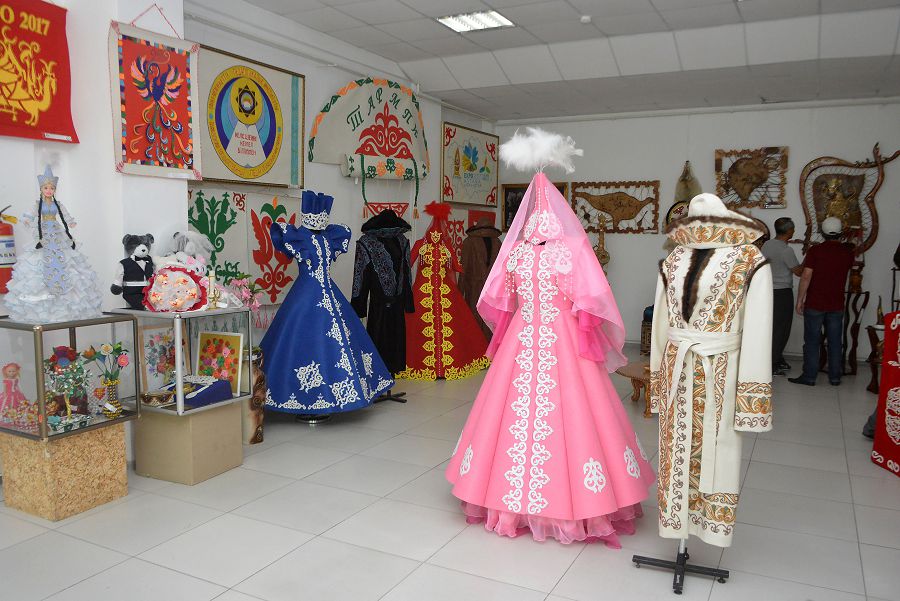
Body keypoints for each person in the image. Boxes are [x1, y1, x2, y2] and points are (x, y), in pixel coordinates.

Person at [446, 129, 654, 546]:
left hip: (522, 338)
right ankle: (577, 503)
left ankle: (506, 500)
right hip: (563, 339)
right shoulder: (572, 250)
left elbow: (499, 300)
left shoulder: (516, 252)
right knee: (578, 415)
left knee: (510, 415)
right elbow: (593, 301)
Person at [5, 166, 102, 323]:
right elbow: (29, 215)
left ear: (54, 190)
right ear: (41, 189)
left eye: (51, 188)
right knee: (38, 262)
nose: (49, 191)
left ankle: (67, 305)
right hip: (43, 233)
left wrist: (71, 222)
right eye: (46, 188)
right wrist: (27, 220)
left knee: (68, 262)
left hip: (57, 233)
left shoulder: (58, 204)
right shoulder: (38, 204)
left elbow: (65, 215)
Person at [789, 217, 855, 386]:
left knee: (812, 342)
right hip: (836, 303)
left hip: (815, 302)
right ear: (840, 232)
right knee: (835, 342)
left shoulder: (815, 251)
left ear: (823, 232)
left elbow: (806, 276)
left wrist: (800, 299)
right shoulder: (848, 253)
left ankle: (809, 377)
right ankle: (835, 377)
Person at [761, 218, 802, 375]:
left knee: (771, 328)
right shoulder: (786, 250)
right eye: (793, 229)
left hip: (767, 292)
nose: (794, 231)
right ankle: (772, 364)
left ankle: (774, 359)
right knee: (781, 329)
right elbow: (798, 271)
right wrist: (809, 258)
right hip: (782, 293)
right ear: (789, 231)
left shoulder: (767, 245)